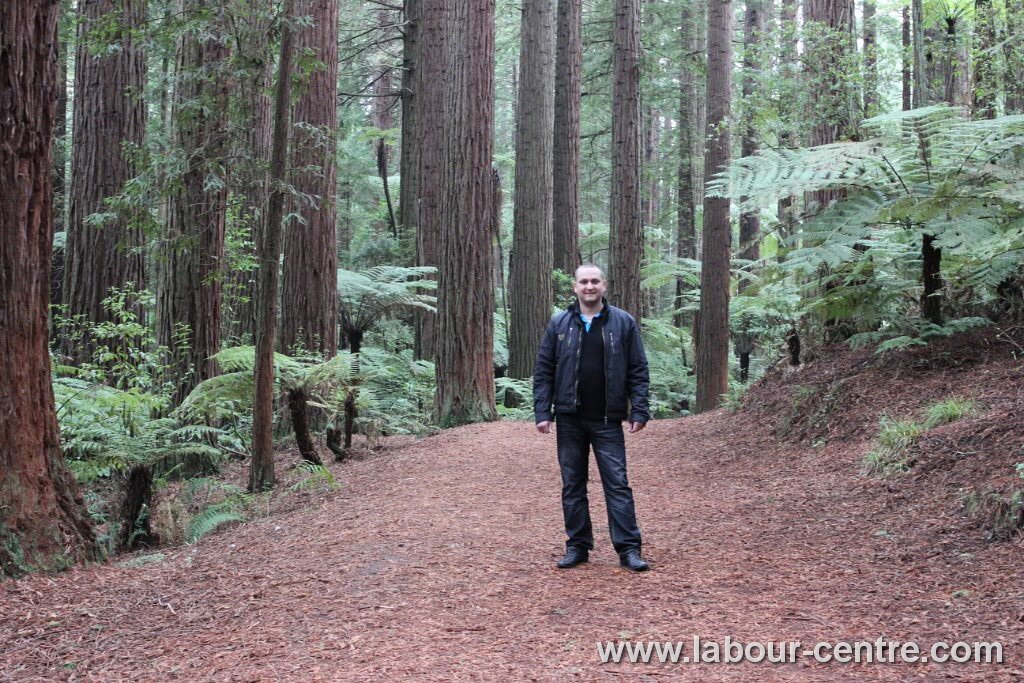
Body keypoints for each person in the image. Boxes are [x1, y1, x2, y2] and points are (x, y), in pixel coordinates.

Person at [533, 264, 650, 572]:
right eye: (583, 281)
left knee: (618, 484)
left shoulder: (623, 323)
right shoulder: (559, 324)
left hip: (607, 420)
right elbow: (544, 370)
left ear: (604, 285)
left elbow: (638, 370)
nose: (589, 286)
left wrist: (639, 409)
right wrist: (542, 411)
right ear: (575, 287)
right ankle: (577, 546)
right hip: (570, 419)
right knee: (573, 484)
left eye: (594, 281)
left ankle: (628, 549)